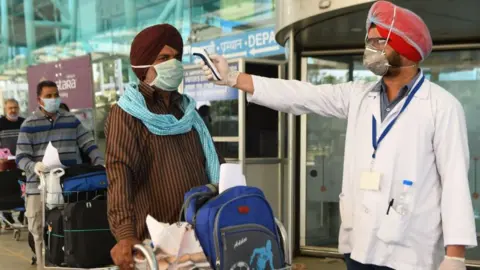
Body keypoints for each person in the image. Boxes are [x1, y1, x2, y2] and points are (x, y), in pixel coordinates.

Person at [201, 1, 477, 269]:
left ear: (405, 46)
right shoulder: (359, 95)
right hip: (358, 246)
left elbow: (454, 183)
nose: (370, 48)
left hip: (410, 253)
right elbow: (302, 95)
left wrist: (454, 256)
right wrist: (234, 78)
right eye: (369, 41)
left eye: (378, 41)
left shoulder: (441, 106)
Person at [105, 24, 224, 270]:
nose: (174, 63)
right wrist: (125, 233)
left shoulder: (188, 112)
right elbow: (119, 172)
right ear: (144, 67)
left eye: (177, 58)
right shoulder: (126, 114)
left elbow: (208, 162)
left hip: (199, 233)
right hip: (155, 241)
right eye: (164, 58)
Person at [16, 80, 104, 269]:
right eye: (48, 96)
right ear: (38, 99)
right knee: (39, 232)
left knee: (71, 229)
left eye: (55, 95)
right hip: (38, 188)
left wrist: (99, 162)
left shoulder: (71, 120)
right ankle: (42, 265)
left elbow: (88, 143)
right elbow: (21, 157)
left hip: (69, 185)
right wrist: (34, 166)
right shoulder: (28, 125)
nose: (53, 99)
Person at [0, 98, 25, 228]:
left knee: (23, 186)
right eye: (10, 108)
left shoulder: (24, 123)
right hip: (5, 161)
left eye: (15, 107)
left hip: (21, 160)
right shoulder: (1, 123)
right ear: (5, 109)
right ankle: (6, 216)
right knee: (5, 185)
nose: (13, 110)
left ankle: (23, 214)